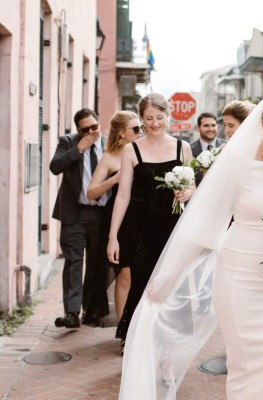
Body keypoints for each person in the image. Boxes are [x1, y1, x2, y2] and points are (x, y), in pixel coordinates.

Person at [119, 86, 263, 400]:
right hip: (241, 281)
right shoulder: (238, 160)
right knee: (250, 376)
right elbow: (203, 223)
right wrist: (169, 276)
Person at [107, 93, 195, 354]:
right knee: (143, 282)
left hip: (173, 226)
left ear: (167, 116)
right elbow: (122, 195)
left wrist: (189, 191)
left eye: (159, 117)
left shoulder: (183, 148)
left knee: (172, 282)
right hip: (140, 228)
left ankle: (168, 337)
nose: (155, 123)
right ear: (142, 120)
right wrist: (113, 236)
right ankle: (134, 336)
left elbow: (192, 184)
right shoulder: (130, 150)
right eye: (149, 118)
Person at [49, 108, 109, 328]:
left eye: (95, 126)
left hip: (101, 214)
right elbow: (55, 167)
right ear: (78, 130)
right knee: (74, 261)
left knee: (96, 264)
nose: (92, 131)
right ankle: (72, 313)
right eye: (86, 129)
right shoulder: (68, 142)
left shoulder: (109, 144)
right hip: (75, 213)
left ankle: (91, 311)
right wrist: (78, 149)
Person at [84, 111, 142, 326]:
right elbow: (91, 193)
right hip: (119, 220)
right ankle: (124, 329)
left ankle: (140, 329)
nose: (140, 132)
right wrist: (115, 179)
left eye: (140, 128)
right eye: (135, 129)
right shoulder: (109, 158)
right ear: (121, 133)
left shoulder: (144, 151)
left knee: (142, 276)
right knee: (124, 275)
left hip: (143, 218)